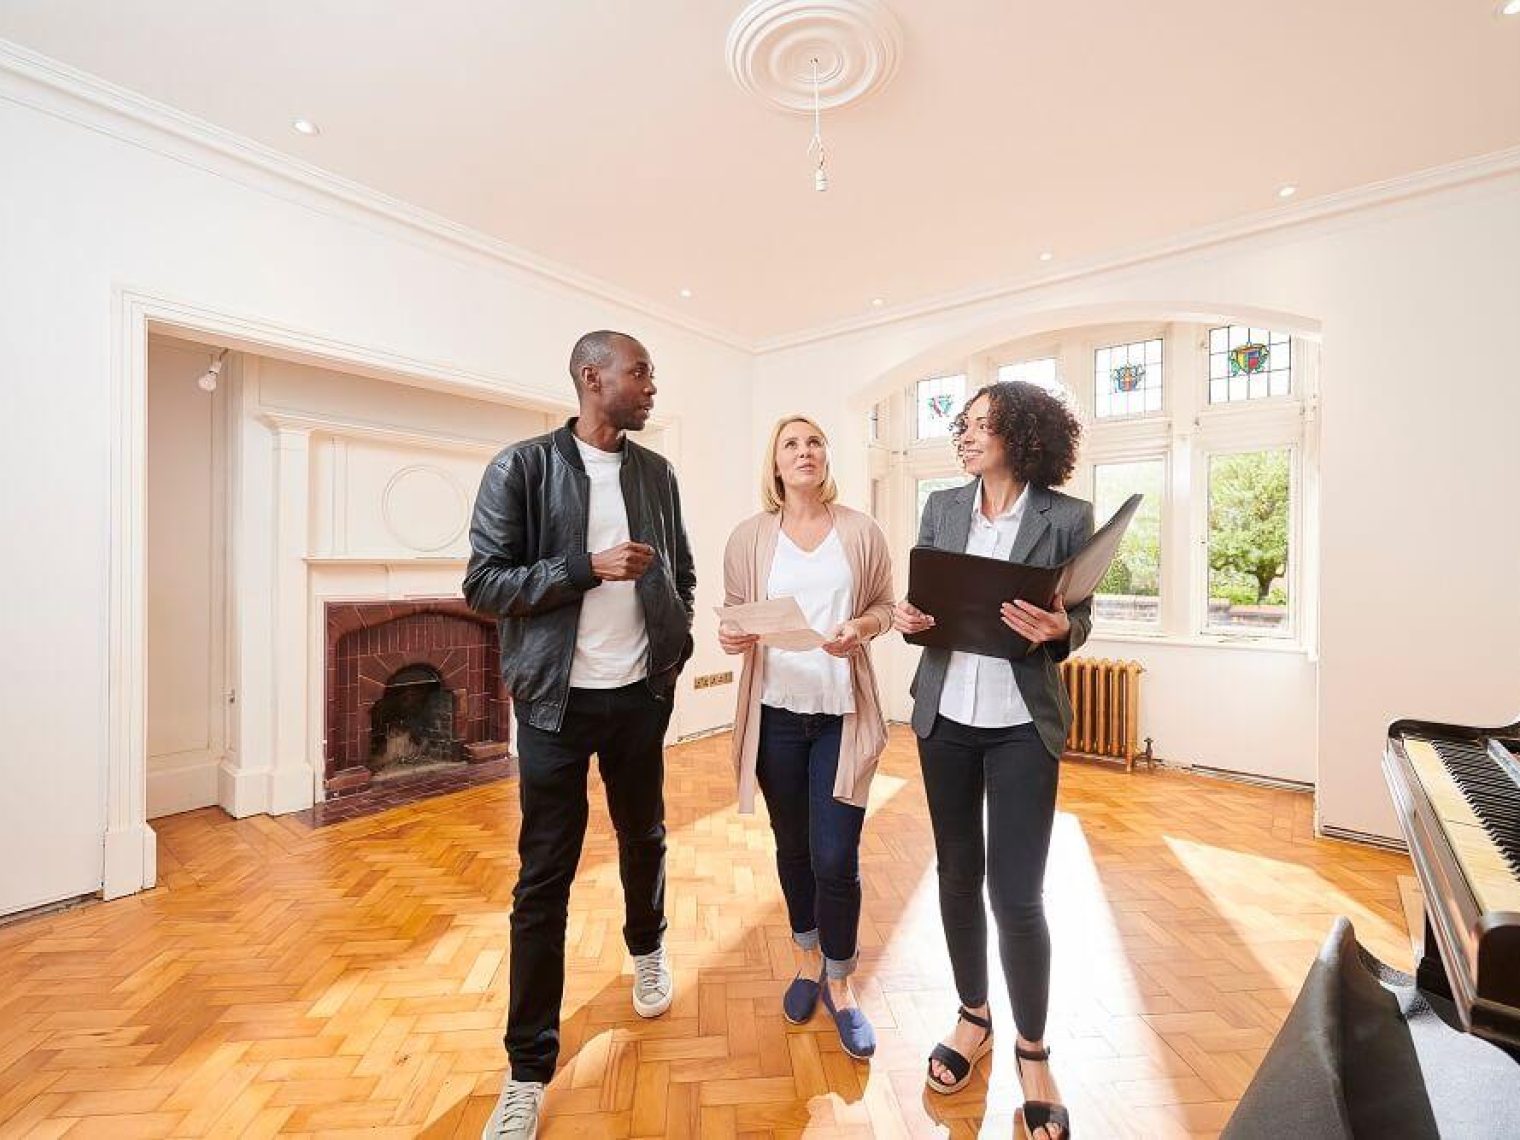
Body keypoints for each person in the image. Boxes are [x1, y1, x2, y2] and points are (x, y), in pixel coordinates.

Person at [464, 331, 695, 1140]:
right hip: (553, 708)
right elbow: (484, 585)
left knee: (645, 837)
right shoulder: (521, 468)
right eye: (642, 372)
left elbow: (680, 571)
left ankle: (647, 948)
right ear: (593, 378)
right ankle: (527, 1071)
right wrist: (584, 567)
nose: (652, 386)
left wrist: (675, 645)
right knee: (543, 882)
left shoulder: (656, 473)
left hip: (639, 697)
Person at [892, 381, 1091, 1140]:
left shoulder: (1066, 517)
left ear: (1025, 434)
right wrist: (910, 619)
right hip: (944, 719)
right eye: (964, 426)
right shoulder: (943, 508)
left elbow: (1080, 615)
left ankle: (1032, 1050)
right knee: (955, 875)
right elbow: (926, 607)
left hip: (1020, 727)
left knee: (1017, 895)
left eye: (984, 425)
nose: (968, 437)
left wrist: (1061, 629)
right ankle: (973, 1016)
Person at [719, 415, 894, 1060]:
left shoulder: (860, 531)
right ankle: (806, 960)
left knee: (836, 855)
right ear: (775, 463)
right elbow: (735, 619)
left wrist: (862, 629)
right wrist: (732, 637)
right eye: (790, 444)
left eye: (815, 441)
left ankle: (841, 983)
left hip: (841, 715)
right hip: (775, 716)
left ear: (826, 457)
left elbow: (884, 606)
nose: (804, 451)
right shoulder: (748, 537)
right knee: (792, 847)